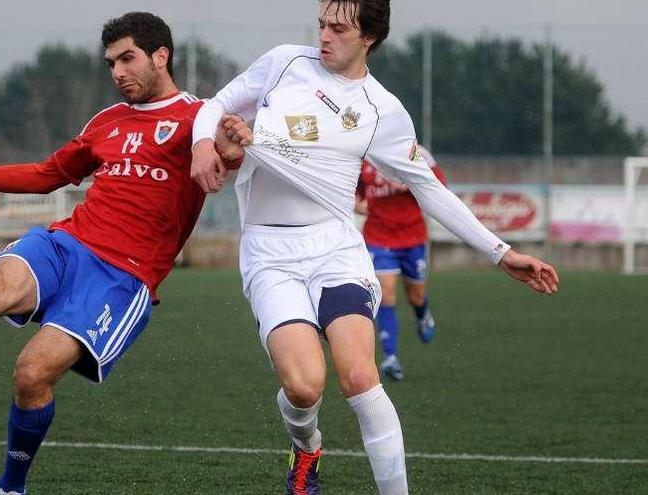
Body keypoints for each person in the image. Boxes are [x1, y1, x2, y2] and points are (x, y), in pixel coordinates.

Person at [189, 1, 558, 494]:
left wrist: (501, 252)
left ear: (370, 36)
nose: (324, 35)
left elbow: (429, 188)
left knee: (361, 376)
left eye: (339, 28)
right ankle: (307, 448)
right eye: (321, 24)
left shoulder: (382, 109)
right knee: (303, 387)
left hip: (336, 248)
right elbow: (215, 104)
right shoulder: (283, 63)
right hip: (269, 252)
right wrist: (202, 144)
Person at [0, 12, 242, 495]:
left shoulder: (199, 118)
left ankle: (10, 486)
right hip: (65, 242)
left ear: (160, 56)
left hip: (121, 278)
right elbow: (48, 175)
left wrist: (231, 152)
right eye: (111, 63)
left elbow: (225, 160)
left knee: (30, 375)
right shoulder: (107, 121)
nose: (117, 72)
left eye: (127, 58)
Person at [354, 145, 446, 381]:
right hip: (378, 237)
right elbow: (354, 191)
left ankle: (422, 314)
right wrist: (356, 203)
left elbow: (439, 189)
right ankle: (391, 358)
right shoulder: (363, 156)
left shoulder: (418, 154)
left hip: (412, 238)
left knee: (415, 296)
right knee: (386, 294)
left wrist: (408, 185)